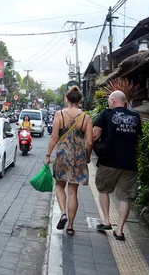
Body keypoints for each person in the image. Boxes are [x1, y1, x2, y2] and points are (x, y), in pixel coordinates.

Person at [92, 90, 141, 241]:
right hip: (129, 163)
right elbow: (137, 138)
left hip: (109, 161)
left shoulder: (106, 114)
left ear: (113, 101)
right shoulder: (136, 117)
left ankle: (106, 221)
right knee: (125, 197)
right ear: (124, 102)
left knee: (103, 189)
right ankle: (119, 231)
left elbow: (94, 134)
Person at [45, 86, 93, 237]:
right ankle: (71, 226)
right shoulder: (86, 118)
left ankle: (63, 213)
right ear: (79, 100)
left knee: (59, 186)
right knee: (73, 192)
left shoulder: (60, 115)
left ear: (66, 99)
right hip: (78, 157)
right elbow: (90, 142)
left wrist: (48, 155)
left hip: (62, 156)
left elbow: (53, 138)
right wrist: (88, 156)